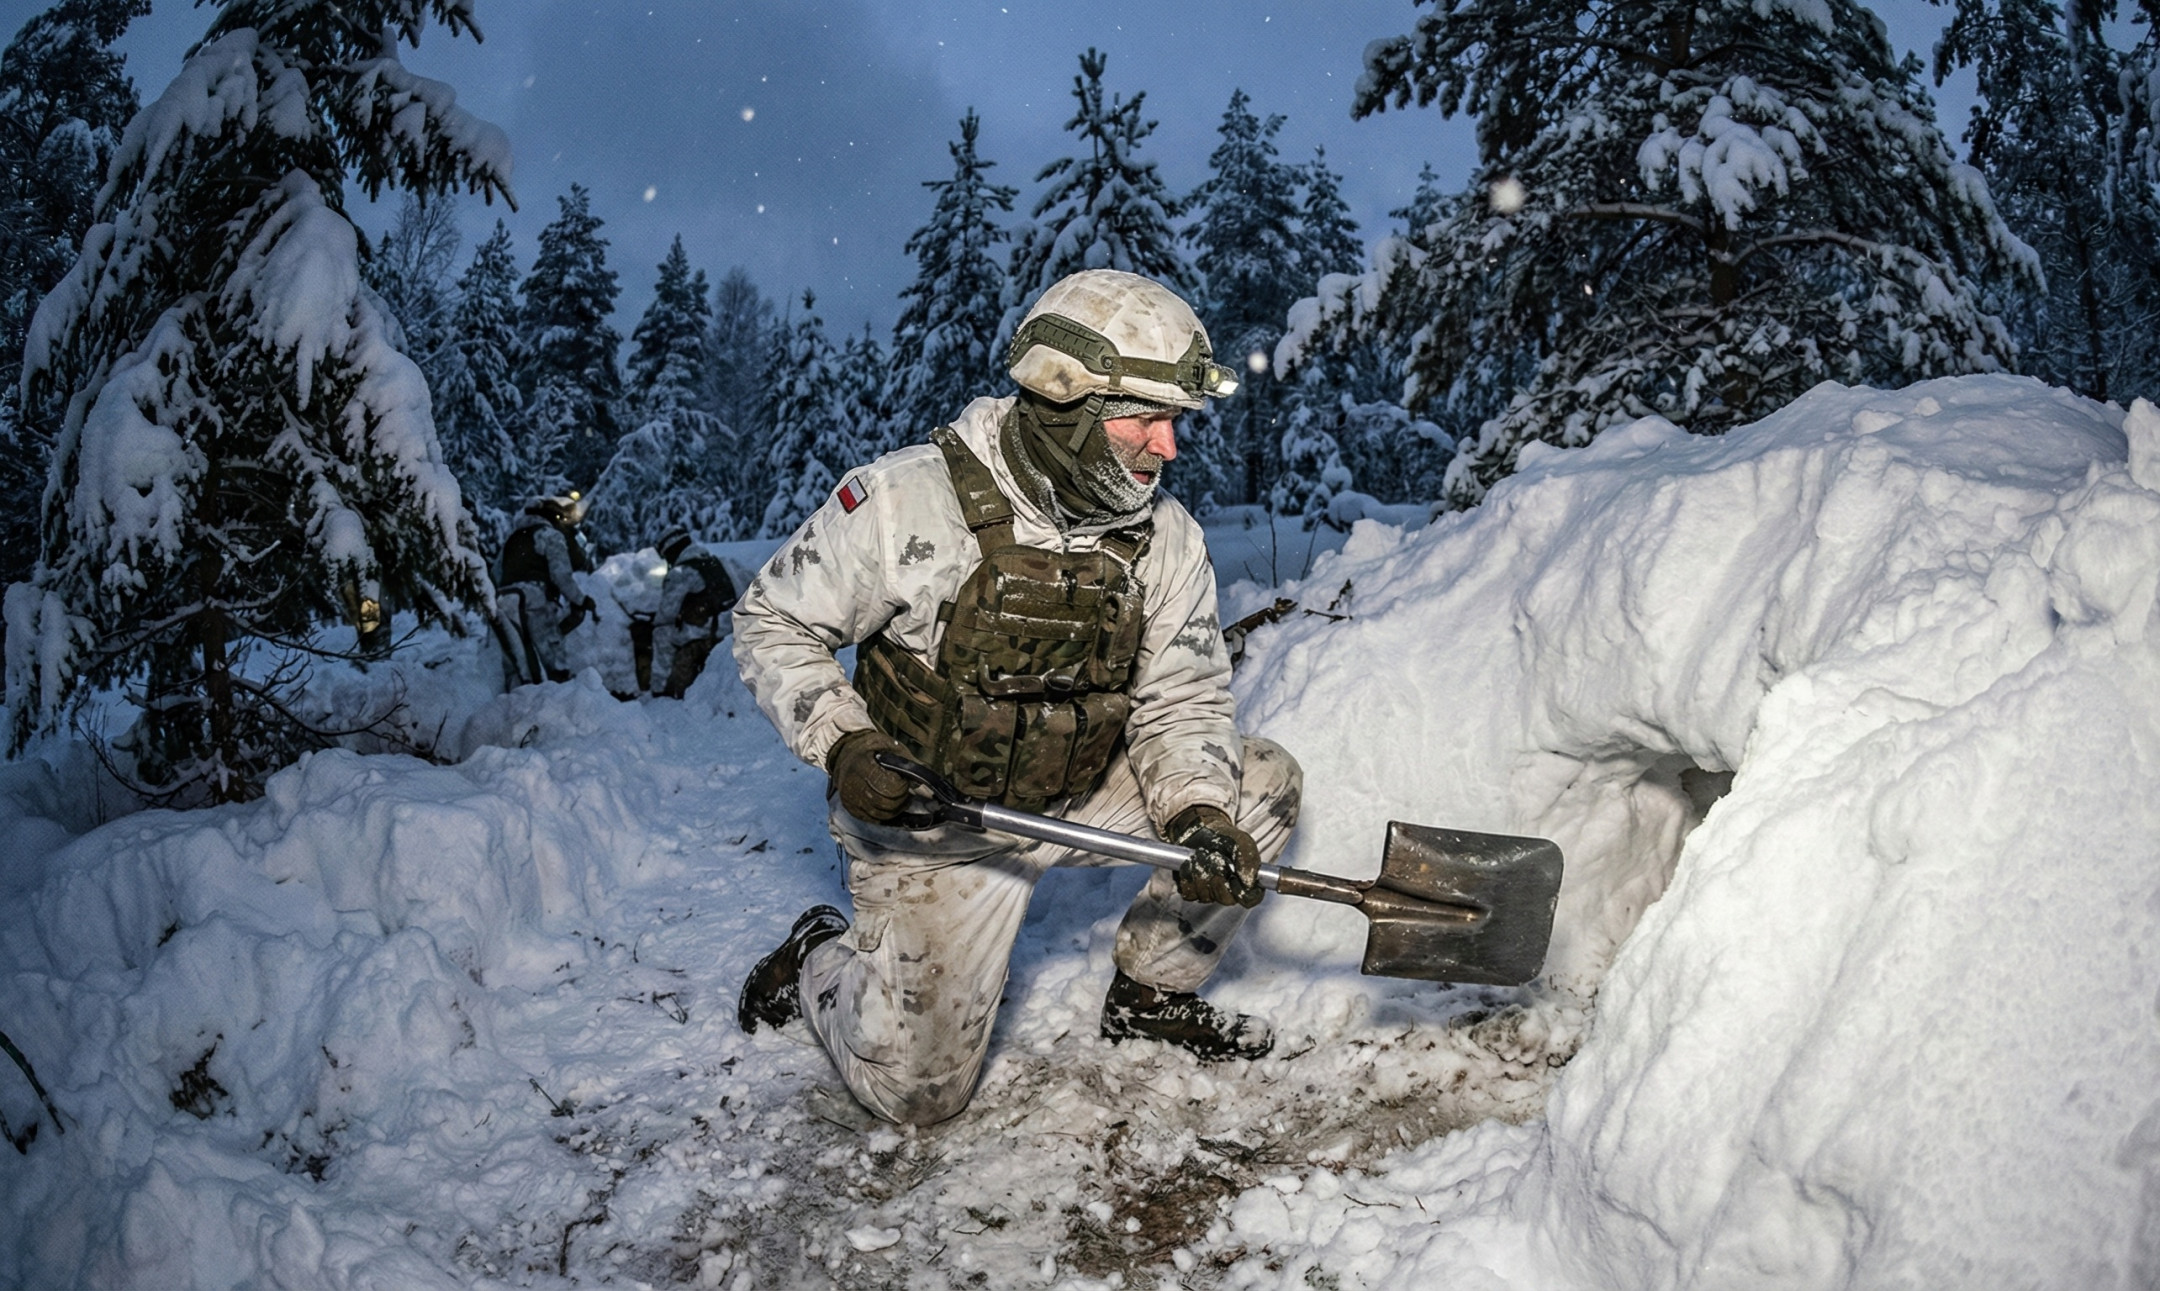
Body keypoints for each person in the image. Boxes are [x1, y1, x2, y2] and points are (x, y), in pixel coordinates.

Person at [731, 269, 1304, 1127]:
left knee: (1260, 786)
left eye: (1176, 421)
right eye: (1143, 419)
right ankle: (817, 955)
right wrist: (845, 743)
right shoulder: (905, 501)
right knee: (917, 1097)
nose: (1168, 447)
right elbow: (771, 620)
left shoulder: (1167, 541)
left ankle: (1151, 994)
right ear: (1065, 401)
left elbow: (1182, 695)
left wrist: (1197, 815)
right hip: (936, 820)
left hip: (1079, 798)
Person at [495, 492, 598, 686]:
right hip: (535, 599)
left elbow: (495, 573)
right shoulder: (550, 535)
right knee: (553, 657)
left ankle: (516, 698)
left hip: (505, 601)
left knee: (518, 662)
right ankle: (558, 696)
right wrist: (580, 599)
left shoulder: (512, 539)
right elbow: (561, 575)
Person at [649, 527, 739, 698]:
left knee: (661, 632)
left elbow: (665, 619)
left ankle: (663, 691)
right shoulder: (723, 562)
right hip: (731, 636)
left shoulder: (680, 574)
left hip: (702, 641)